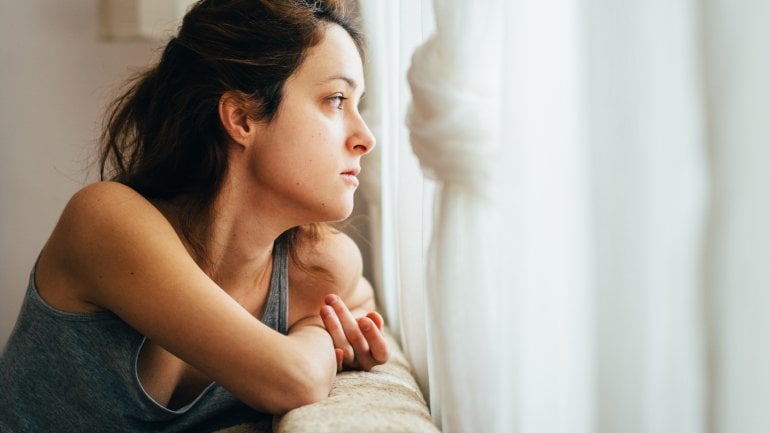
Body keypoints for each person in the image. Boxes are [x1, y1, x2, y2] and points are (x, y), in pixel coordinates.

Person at [0, 0, 389, 431]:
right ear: (241, 117)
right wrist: (318, 330)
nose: (364, 138)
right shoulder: (103, 220)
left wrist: (335, 328)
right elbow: (294, 380)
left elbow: (361, 300)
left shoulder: (318, 265)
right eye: (336, 99)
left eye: (358, 104)